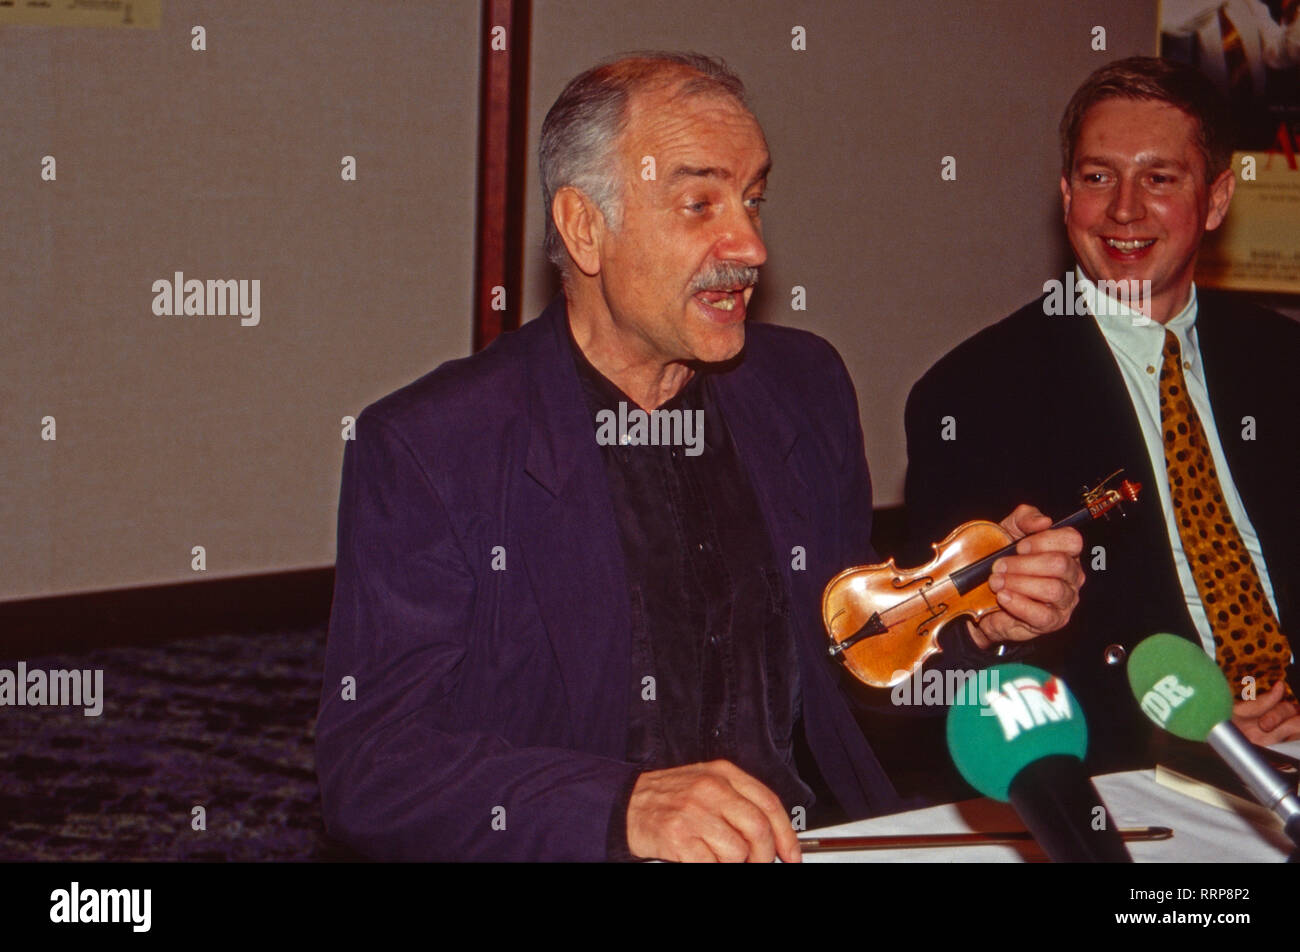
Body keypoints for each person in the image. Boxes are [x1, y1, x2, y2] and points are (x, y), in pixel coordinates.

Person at [315, 52, 1084, 862]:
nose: (749, 244)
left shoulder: (802, 386)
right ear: (585, 228)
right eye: (699, 203)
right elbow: (371, 770)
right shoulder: (435, 447)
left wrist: (975, 621)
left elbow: (847, 676)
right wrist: (621, 809)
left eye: (754, 199)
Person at [904, 56, 1300, 774]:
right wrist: (1187, 718)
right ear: (1065, 196)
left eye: (1159, 178)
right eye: (1097, 177)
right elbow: (956, 666)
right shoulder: (972, 395)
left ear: (1215, 201)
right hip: (1139, 768)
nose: (1123, 210)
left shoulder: (1283, 361)